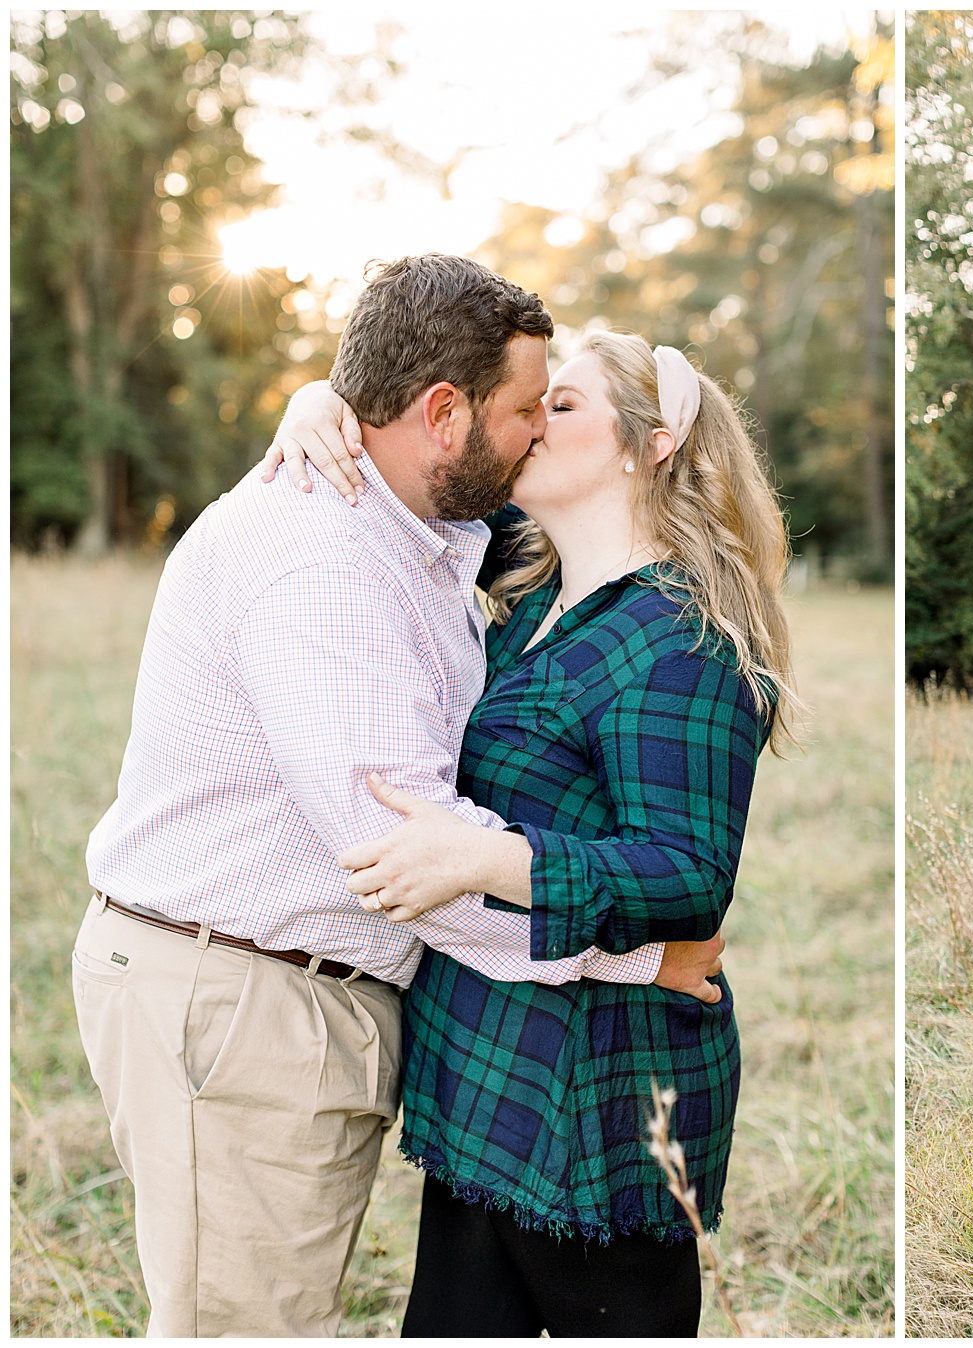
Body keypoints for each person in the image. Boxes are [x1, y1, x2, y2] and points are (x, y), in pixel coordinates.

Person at [73, 255, 722, 1337]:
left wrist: (327, 395)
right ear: (442, 413)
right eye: (526, 408)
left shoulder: (431, 525)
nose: (533, 432)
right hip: (241, 997)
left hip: (284, 997)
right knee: (244, 1327)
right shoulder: (328, 560)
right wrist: (634, 955)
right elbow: (405, 858)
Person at [260, 321, 796, 1336]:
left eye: (564, 404)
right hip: (481, 1062)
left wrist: (482, 858)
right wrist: (319, 403)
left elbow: (688, 874)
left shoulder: (678, 638)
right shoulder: (532, 582)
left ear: (653, 443)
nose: (530, 421)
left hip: (598, 1089)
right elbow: (410, 471)